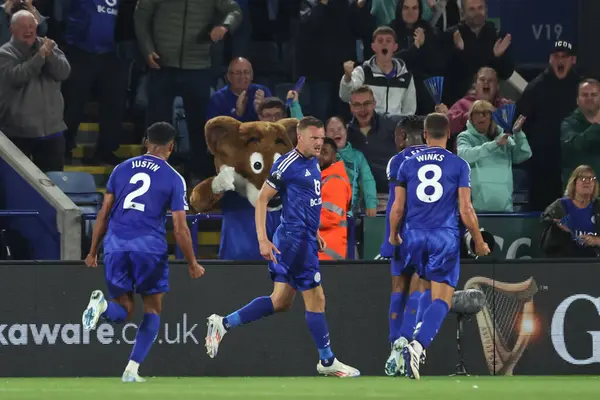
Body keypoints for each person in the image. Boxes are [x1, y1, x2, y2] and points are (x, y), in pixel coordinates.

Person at [204, 116, 360, 377]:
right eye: (314, 138)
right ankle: (327, 360)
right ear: (300, 137)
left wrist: (314, 232)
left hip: (301, 237)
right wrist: (262, 239)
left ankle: (222, 323)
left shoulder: (312, 162)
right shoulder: (286, 164)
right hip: (293, 242)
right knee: (316, 298)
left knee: (280, 301)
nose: (320, 143)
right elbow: (263, 200)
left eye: (321, 138)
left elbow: (305, 202)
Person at [80, 122, 205, 382]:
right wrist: (192, 261)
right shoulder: (173, 177)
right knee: (152, 308)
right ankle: (132, 370)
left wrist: (92, 251)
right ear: (171, 146)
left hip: (115, 244)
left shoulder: (120, 169)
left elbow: (103, 214)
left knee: (123, 308)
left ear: (146, 142)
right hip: (149, 247)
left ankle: (102, 307)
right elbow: (180, 228)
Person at [388, 113, 490, 380]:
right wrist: (478, 240)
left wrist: (393, 235)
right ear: (449, 135)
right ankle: (418, 346)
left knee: (420, 287)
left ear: (424, 134)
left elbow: (397, 207)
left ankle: (402, 340)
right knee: (443, 298)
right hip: (442, 236)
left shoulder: (406, 165)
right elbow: (465, 209)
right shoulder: (458, 164)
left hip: (414, 236)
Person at [382, 116, 431, 376]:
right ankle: (406, 342)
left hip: (402, 231)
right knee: (419, 288)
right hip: (429, 232)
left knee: (398, 288)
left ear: (401, 135)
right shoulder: (440, 157)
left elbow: (395, 203)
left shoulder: (397, 161)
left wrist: (391, 236)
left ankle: (395, 346)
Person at [317, 137, 352, 261]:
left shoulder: (335, 181)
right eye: (317, 151)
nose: (319, 156)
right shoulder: (323, 179)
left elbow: (330, 217)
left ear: (334, 156)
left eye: (324, 152)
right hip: (321, 250)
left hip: (327, 253)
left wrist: (301, 222)